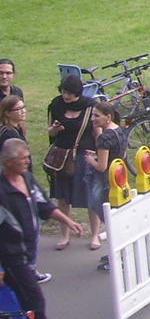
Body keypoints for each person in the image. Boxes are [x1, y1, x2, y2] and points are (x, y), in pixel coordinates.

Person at [0, 138, 83, 319]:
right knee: (34, 302)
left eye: (28, 157)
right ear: (8, 162)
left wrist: (68, 221)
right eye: (22, 159)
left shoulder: (26, 179)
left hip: (27, 255)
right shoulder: (2, 192)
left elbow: (43, 205)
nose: (28, 161)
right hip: (12, 258)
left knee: (28, 303)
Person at [45, 73, 95, 249]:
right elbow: (50, 133)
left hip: (83, 155)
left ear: (78, 93)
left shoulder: (90, 106)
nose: (66, 96)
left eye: (70, 93)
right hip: (62, 157)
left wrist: (97, 153)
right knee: (62, 197)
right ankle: (64, 236)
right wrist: (54, 130)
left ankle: (94, 236)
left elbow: (96, 130)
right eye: (64, 92)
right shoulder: (56, 104)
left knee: (90, 196)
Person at [80, 101, 125, 252]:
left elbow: (101, 167)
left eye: (97, 116)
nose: (93, 118)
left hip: (105, 180)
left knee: (105, 215)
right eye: (92, 115)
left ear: (108, 117)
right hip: (119, 176)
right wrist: (98, 155)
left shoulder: (104, 138)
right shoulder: (118, 130)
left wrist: (90, 160)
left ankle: (113, 253)